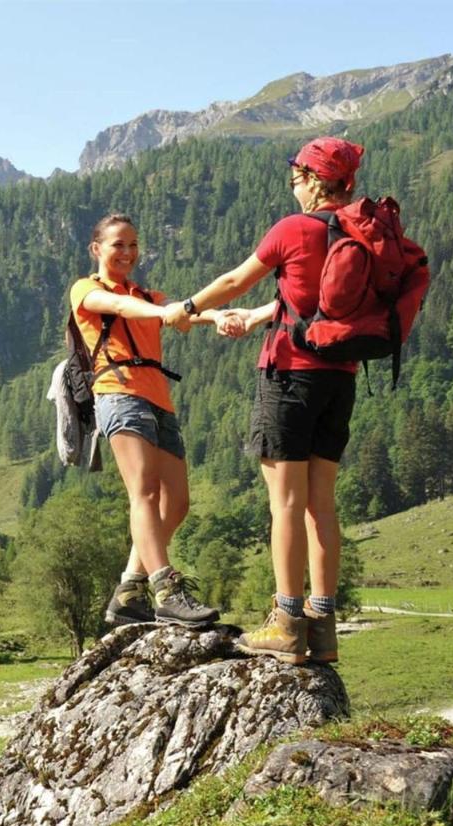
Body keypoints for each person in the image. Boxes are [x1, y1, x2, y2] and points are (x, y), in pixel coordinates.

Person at [165, 136, 367, 664]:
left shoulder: (292, 228)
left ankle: (286, 621)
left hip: (289, 378)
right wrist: (256, 317)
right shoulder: (357, 233)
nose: (293, 183)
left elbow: (235, 279)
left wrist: (186, 308)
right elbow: (306, 299)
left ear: (314, 179)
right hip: (339, 378)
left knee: (286, 504)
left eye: (297, 175)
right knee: (322, 504)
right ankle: (323, 629)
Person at [71, 213, 219, 629]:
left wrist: (226, 316)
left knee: (178, 501)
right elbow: (120, 307)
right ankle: (166, 589)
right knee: (146, 492)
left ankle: (129, 589)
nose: (128, 253)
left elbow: (186, 313)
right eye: (119, 244)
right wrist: (168, 311)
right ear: (97, 249)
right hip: (118, 394)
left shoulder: (148, 295)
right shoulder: (87, 289)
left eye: (134, 245)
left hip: (158, 399)